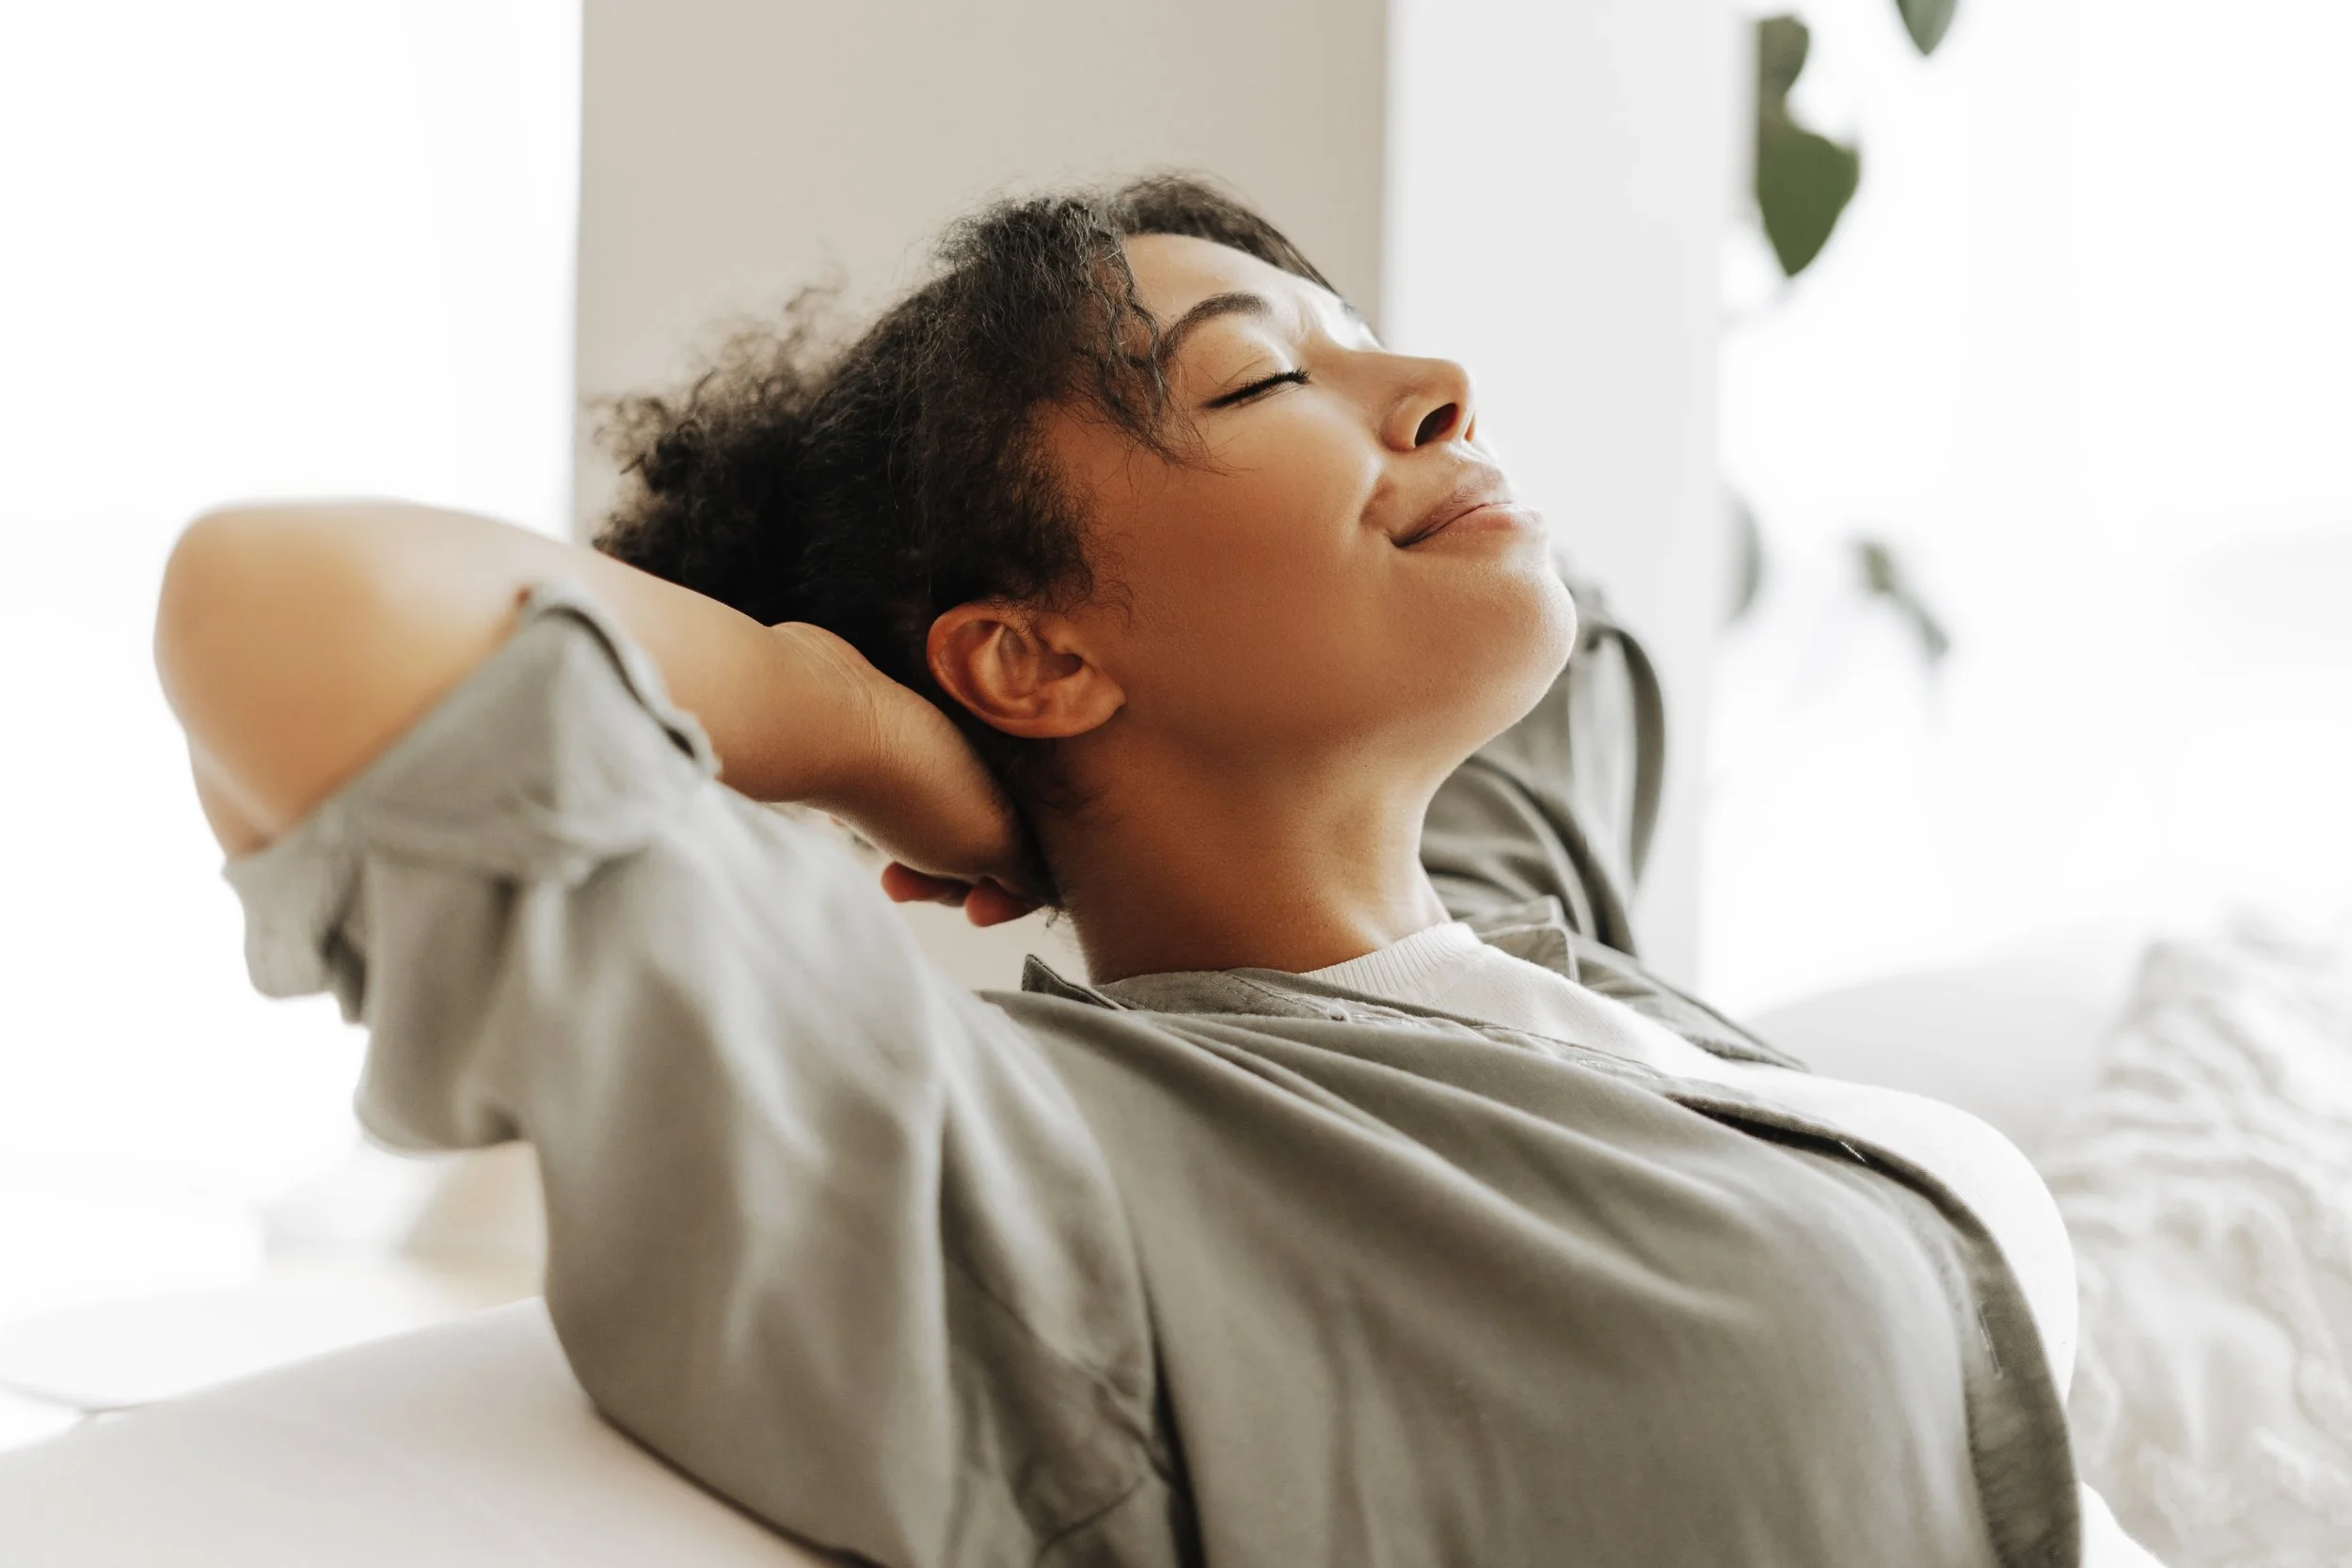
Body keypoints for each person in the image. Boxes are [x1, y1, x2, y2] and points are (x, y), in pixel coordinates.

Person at [154, 175, 2160, 1566]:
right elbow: (282, 605)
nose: (1433, 388)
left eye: (1359, 346)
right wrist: (842, 724)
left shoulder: (1500, 935)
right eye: (1263, 377)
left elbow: (1575, 638)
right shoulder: (1054, 1182)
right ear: (1029, 654)